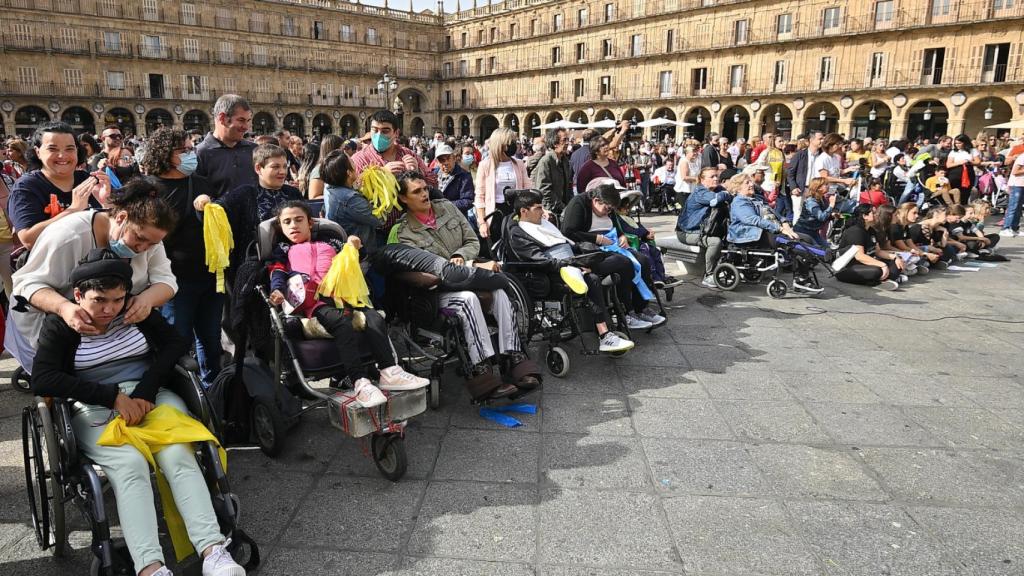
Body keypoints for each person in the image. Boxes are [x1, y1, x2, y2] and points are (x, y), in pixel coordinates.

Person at [31, 250, 246, 576]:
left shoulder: (135, 311)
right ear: (78, 295)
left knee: (178, 454)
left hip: (151, 394)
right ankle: (150, 567)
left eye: (117, 299)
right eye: (99, 300)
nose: (109, 310)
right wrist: (112, 397)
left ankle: (213, 550)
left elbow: (175, 344)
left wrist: (145, 390)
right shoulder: (62, 324)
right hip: (93, 403)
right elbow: (43, 379)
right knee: (129, 465)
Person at [392, 172, 541, 399]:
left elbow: (472, 240)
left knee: (500, 292)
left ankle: (514, 356)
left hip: (469, 273)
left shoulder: (447, 208)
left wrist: (461, 256)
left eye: (425, 189)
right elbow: (425, 269)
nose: (424, 194)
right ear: (403, 198)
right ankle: (481, 368)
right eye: (416, 191)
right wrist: (459, 266)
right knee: (467, 299)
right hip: (438, 290)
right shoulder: (404, 232)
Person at [8, 178, 178, 373]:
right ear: (122, 218)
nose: (143, 249)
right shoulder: (68, 235)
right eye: (139, 239)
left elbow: (167, 281)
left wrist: (146, 299)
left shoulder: (150, 237)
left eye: (151, 245)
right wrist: (63, 307)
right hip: (51, 327)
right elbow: (26, 284)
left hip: (106, 333)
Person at [266, 201, 427, 404]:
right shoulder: (283, 249)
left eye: (299, 220)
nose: (293, 225)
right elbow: (277, 271)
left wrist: (355, 245)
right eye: (287, 222)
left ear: (311, 222)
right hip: (314, 300)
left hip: (345, 294)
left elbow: (358, 256)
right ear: (280, 227)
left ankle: (389, 371)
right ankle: (359, 381)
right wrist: (277, 290)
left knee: (375, 317)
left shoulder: (331, 243)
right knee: (342, 322)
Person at [139, 127, 223, 386]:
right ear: (165, 153)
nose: (190, 154)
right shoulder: (149, 188)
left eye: (191, 149)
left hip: (209, 275)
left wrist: (210, 206)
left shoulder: (199, 182)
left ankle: (213, 390)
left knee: (210, 338)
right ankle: (178, 388)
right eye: (183, 150)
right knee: (178, 338)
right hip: (174, 280)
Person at [506, 190, 635, 353]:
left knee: (618, 260)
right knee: (593, 278)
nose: (542, 211)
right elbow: (539, 259)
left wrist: (582, 253)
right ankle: (605, 334)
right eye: (538, 208)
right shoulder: (518, 232)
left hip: (569, 259)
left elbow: (567, 242)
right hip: (550, 272)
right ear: (524, 211)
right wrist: (571, 262)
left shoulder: (543, 223)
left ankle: (590, 270)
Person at [561, 181, 663, 329]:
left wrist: (622, 236)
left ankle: (641, 308)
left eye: (611, 210)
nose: (608, 212)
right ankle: (626, 312)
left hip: (611, 244)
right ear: (596, 201)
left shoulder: (608, 208)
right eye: (606, 209)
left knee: (643, 260)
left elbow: (616, 225)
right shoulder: (579, 203)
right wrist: (597, 239)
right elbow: (568, 232)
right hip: (589, 248)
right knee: (624, 263)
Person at [195, 144, 301, 271]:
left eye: (285, 166)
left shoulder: (293, 193)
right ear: (258, 168)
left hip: (293, 264)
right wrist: (203, 203)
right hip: (256, 269)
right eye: (275, 167)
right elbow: (215, 215)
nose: (283, 172)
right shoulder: (244, 194)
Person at [9, 121, 107, 249]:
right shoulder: (26, 187)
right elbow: (28, 240)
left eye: (69, 149)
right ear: (38, 152)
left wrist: (107, 203)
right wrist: (74, 209)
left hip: (95, 262)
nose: (62, 156)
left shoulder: (87, 179)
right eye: (52, 149)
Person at [474, 127, 531, 243]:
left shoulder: (519, 164)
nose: (514, 145)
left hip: (515, 212)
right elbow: (480, 196)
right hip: (495, 213)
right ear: (500, 144)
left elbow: (527, 189)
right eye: (510, 143)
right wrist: (482, 222)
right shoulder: (485, 165)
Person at [676, 167, 730, 288]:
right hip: (687, 232)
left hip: (703, 230)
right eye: (712, 177)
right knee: (715, 242)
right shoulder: (700, 192)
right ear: (702, 180)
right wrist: (726, 193)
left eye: (717, 176)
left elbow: (727, 196)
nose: (716, 178)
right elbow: (717, 199)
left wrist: (726, 193)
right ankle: (709, 275)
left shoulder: (717, 190)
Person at [195, 94, 257, 197]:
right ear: (222, 118)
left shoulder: (254, 150)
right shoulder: (200, 154)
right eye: (241, 120)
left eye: (248, 121)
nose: (246, 127)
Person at [834, 204, 905, 290]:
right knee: (877, 271)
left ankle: (883, 279)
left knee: (896, 262)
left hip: (863, 264)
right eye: (874, 213)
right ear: (865, 216)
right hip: (847, 267)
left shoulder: (871, 230)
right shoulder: (855, 231)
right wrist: (882, 265)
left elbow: (878, 251)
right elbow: (859, 256)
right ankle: (879, 280)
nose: (877, 215)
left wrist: (895, 257)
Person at [321, 149, 381, 252]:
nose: (356, 166)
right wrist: (381, 182)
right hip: (360, 256)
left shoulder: (330, 188)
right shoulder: (351, 199)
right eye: (352, 163)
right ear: (348, 173)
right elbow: (379, 219)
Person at [533, 128, 574, 216]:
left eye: (568, 140)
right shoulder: (546, 161)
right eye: (564, 140)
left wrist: (570, 205)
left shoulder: (565, 161)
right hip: (551, 211)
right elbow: (544, 189)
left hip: (563, 209)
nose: (567, 143)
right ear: (555, 143)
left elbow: (569, 185)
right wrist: (562, 207)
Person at [786, 130, 824, 224]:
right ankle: (796, 235)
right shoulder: (800, 155)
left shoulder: (822, 156)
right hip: (801, 189)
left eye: (823, 138)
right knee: (798, 214)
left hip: (816, 190)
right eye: (820, 139)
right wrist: (793, 187)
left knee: (814, 215)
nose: (822, 141)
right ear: (811, 140)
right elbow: (790, 172)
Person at [432, 143, 474, 217]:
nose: (446, 163)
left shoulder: (464, 176)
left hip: (455, 218)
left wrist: (445, 205)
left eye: (448, 158)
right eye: (441, 160)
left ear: (454, 158)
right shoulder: (432, 174)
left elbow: (468, 201)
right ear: (437, 162)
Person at [793, 177, 835, 246]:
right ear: (818, 188)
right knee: (818, 251)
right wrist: (831, 205)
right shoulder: (811, 201)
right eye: (826, 184)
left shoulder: (822, 199)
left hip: (814, 232)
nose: (828, 186)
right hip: (803, 231)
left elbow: (824, 214)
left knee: (827, 248)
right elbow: (821, 217)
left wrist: (832, 215)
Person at [305, 134, 344, 201]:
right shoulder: (319, 170)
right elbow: (313, 197)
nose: (344, 152)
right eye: (342, 149)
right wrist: (339, 197)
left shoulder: (339, 167)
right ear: (333, 150)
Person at [1001, 138, 1024, 237]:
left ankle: (1014, 228)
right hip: (1016, 184)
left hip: (1022, 184)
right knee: (1013, 206)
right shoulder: (1022, 157)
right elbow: (1015, 171)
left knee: (1019, 208)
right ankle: (1006, 227)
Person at [946, 134, 979, 203]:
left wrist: (969, 162)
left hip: (968, 172)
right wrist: (960, 162)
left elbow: (978, 162)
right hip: (955, 173)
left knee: (966, 192)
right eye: (956, 143)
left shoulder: (973, 150)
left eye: (959, 143)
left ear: (965, 142)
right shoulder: (953, 152)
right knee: (955, 191)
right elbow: (948, 164)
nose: (957, 145)